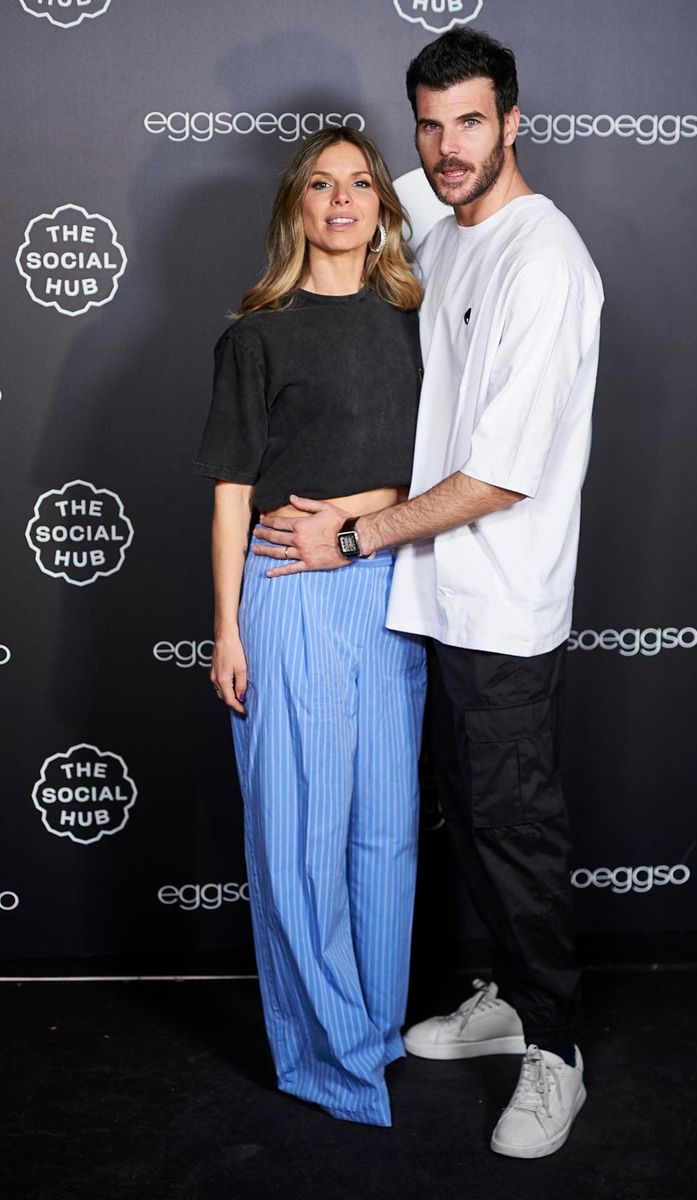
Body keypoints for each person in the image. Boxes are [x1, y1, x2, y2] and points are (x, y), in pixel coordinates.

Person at [252, 29, 604, 1159]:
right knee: (460, 823)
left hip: (499, 605)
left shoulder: (543, 261)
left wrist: (350, 532)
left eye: (471, 122)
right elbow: (342, 201)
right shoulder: (440, 219)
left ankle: (556, 1051)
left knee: (514, 827)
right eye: (430, 124)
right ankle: (500, 993)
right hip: (425, 602)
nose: (447, 149)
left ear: (515, 121)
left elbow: (498, 476)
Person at [192, 127, 426, 1128]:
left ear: (382, 204)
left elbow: (445, 475)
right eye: (322, 185)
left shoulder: (422, 324)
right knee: (299, 840)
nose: (342, 201)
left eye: (360, 183)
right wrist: (227, 629)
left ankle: (372, 1035)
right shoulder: (258, 334)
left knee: (385, 837)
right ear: (297, 205)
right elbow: (231, 495)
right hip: (285, 589)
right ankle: (328, 1060)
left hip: (395, 585)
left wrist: (356, 515)